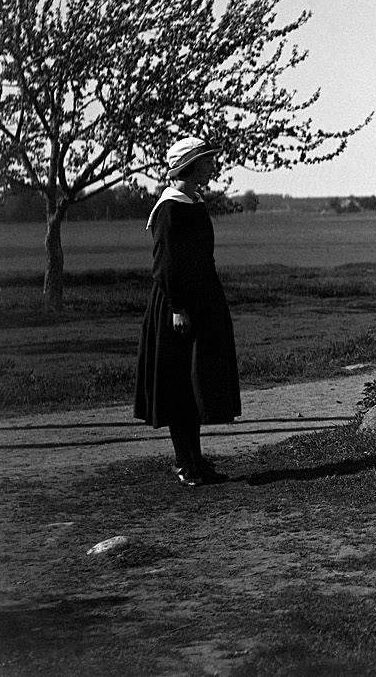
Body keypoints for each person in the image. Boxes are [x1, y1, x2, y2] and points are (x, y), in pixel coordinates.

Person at [135, 136, 242, 487]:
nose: (212, 167)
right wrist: (178, 307)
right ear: (190, 165)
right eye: (207, 162)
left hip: (202, 301)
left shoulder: (193, 202)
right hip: (177, 308)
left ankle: (196, 461)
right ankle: (184, 463)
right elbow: (165, 265)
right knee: (179, 386)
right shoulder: (170, 208)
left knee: (196, 384)